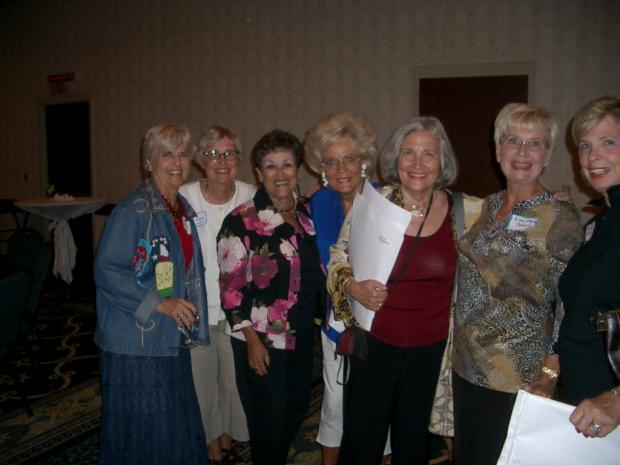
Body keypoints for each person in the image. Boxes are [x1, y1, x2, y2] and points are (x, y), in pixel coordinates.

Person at [452, 103, 583, 465]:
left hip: (516, 373)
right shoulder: (489, 206)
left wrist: (549, 372)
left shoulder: (561, 217)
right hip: (466, 365)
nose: (523, 152)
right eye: (513, 140)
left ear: (548, 155)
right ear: (498, 151)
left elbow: (569, 304)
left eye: (535, 143)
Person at [327, 116, 461, 465]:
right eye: (408, 153)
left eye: (428, 154)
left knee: (414, 442)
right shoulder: (374, 202)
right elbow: (338, 258)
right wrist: (353, 287)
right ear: (395, 160)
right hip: (377, 344)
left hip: (432, 351)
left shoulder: (462, 212)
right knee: (362, 441)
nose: (418, 164)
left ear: (442, 161)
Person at [94, 124, 209, 465]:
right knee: (146, 426)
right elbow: (107, 271)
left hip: (167, 336)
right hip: (135, 341)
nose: (177, 162)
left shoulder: (180, 207)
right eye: (166, 154)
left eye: (183, 153)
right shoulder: (134, 209)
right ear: (148, 162)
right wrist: (161, 304)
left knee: (169, 422)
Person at [216, 129, 325, 465]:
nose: (280, 173)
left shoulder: (309, 213)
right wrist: (251, 340)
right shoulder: (241, 222)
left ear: (298, 169)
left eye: (287, 164)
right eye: (271, 166)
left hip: (303, 332)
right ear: (259, 174)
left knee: (295, 409)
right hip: (261, 338)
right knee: (268, 419)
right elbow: (231, 290)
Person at [304, 112, 392, 465]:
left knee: (377, 399)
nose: (341, 169)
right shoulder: (319, 203)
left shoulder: (386, 201)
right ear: (321, 167)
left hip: (380, 318)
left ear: (364, 162)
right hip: (336, 320)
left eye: (349, 159)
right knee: (335, 399)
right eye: (331, 161)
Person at [180, 126, 255, 464]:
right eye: (212, 154)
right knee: (201, 383)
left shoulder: (251, 196)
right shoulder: (183, 198)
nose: (221, 161)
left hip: (238, 310)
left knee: (234, 381)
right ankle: (210, 443)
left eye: (229, 153)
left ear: (238, 159)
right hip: (197, 308)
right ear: (200, 161)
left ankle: (228, 438)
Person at [558, 96, 620, 439]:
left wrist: (617, 401)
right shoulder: (599, 224)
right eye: (585, 146)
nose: (594, 156)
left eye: (608, 142)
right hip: (584, 400)